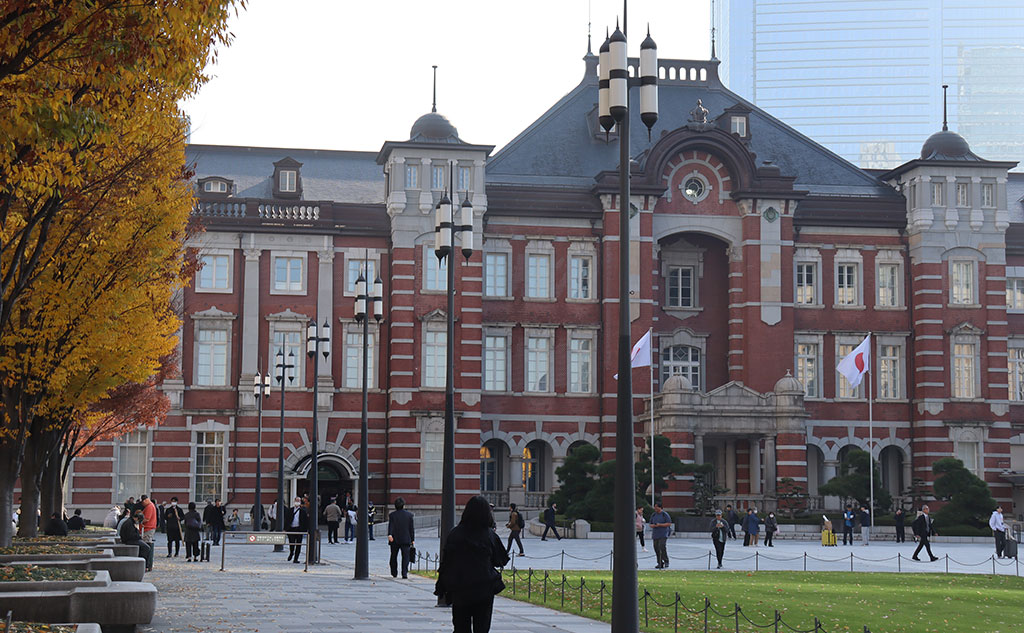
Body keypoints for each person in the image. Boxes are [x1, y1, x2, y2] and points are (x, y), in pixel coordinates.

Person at [435, 495, 509, 633]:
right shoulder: (489, 535)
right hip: (484, 588)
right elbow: (501, 560)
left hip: (461, 588)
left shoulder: (455, 534)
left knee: (461, 627)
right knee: (482, 628)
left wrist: (443, 585)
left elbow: (447, 562)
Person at [387, 497, 415, 578]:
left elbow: (391, 526)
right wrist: (412, 539)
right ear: (403, 505)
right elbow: (411, 529)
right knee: (405, 557)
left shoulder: (392, 515)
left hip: (394, 539)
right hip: (406, 538)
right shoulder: (409, 515)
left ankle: (394, 572)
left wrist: (390, 534)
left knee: (393, 556)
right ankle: (404, 573)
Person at [285, 496, 308, 563]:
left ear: (300, 502)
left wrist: (305, 530)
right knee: (291, 543)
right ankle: (291, 552)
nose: (297, 502)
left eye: (298, 501)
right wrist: (285, 528)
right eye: (296, 500)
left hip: (299, 529)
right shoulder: (290, 510)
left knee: (298, 545)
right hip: (291, 529)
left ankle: (296, 558)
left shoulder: (303, 511)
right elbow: (287, 520)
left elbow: (305, 521)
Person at [649, 501, 672, 569]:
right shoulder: (653, 515)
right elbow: (650, 524)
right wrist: (653, 525)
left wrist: (660, 525)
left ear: (660, 507)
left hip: (663, 533)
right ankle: (660, 562)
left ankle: (666, 561)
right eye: (654, 507)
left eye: (656, 507)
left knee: (662, 546)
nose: (655, 508)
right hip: (655, 534)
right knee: (656, 548)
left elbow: (669, 523)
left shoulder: (664, 514)